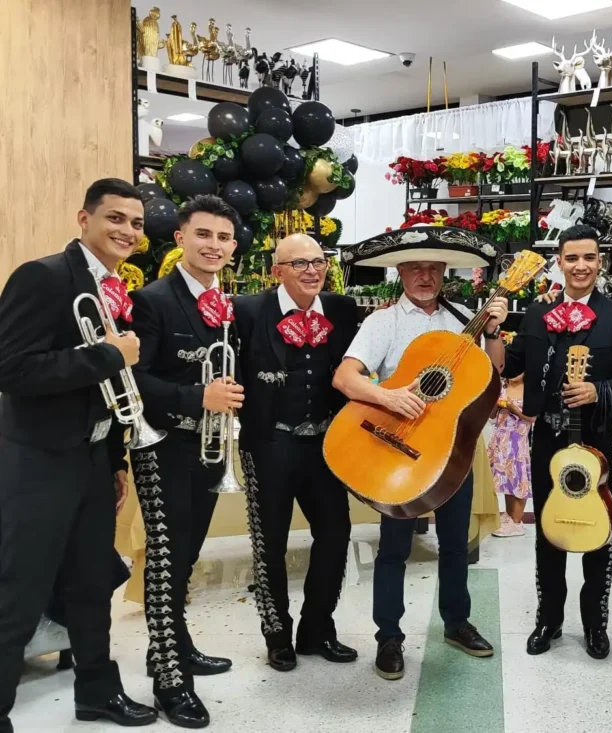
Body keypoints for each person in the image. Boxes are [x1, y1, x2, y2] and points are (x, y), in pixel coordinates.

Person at [0, 178, 158, 730]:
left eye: (136, 223)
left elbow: (114, 394)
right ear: (83, 219)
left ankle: (97, 692)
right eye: (115, 218)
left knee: (92, 586)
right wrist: (107, 355)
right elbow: (12, 371)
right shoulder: (41, 277)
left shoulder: (116, 289)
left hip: (91, 460)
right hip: (38, 463)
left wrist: (114, 461)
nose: (128, 232)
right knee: (18, 592)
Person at [333, 227, 508, 681]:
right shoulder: (383, 323)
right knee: (393, 549)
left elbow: (494, 373)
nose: (425, 276)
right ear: (401, 271)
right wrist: (389, 398)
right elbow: (345, 378)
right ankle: (388, 636)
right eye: (415, 267)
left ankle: (456, 623)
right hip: (398, 450)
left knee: (455, 545)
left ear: (445, 273)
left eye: (433, 268)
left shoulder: (462, 317)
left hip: (452, 450)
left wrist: (492, 331)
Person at [128, 194, 242, 728]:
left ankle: (173, 645)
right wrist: (197, 398)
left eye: (222, 237)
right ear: (180, 239)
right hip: (164, 447)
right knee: (167, 561)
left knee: (188, 552)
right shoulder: (152, 300)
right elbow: (135, 378)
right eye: (203, 235)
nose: (212, 245)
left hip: (207, 449)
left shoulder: (224, 303)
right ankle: (170, 680)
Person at [503, 224, 612, 660]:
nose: (581, 266)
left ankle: (596, 625)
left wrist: (600, 391)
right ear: (559, 263)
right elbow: (509, 367)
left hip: (598, 439)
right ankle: (549, 619)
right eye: (572, 258)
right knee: (549, 530)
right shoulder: (537, 313)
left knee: (599, 531)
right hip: (546, 435)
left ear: (601, 262)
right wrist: (492, 330)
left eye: (589, 257)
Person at [233, 233, 360, 672]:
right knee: (270, 542)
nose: (312, 270)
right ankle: (277, 634)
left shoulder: (343, 310)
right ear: (277, 271)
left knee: (336, 532)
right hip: (270, 443)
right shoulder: (248, 311)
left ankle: (317, 628)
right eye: (300, 263)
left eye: (319, 261)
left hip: (325, 444)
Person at [487, 373, 534, 537]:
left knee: (519, 479)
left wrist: (513, 408)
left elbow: (532, 418)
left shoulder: (530, 390)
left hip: (518, 439)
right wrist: (495, 404)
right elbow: (492, 415)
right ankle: (508, 516)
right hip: (500, 438)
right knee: (507, 479)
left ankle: (516, 521)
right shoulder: (502, 387)